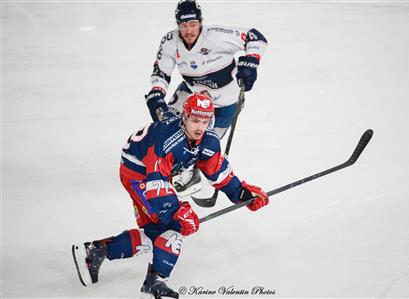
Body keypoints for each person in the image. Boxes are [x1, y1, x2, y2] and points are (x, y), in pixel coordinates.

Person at [72, 93, 269, 299]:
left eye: (204, 121)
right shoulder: (169, 140)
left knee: (159, 232)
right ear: (184, 116)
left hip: (152, 176)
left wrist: (244, 194)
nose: (199, 127)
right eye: (194, 120)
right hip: (137, 172)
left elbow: (218, 173)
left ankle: (97, 252)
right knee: (175, 225)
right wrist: (177, 212)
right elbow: (155, 182)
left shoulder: (208, 140)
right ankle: (154, 281)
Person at [145, 0, 268, 195]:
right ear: (178, 25)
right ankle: (168, 166)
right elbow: (161, 71)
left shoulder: (216, 35)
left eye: (193, 24)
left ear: (200, 22)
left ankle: (190, 172)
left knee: (202, 143)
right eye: (184, 25)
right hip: (192, 93)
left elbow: (255, 37)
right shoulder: (170, 41)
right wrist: (156, 94)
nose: (189, 30)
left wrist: (251, 61)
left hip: (226, 102)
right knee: (168, 125)